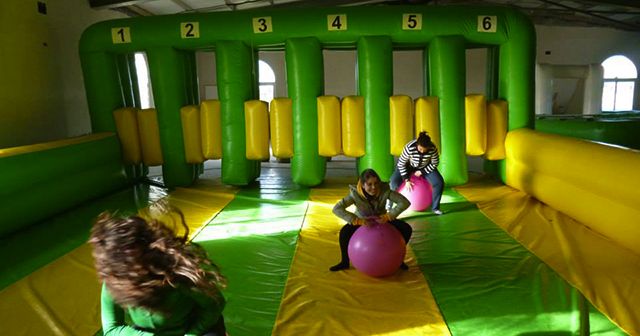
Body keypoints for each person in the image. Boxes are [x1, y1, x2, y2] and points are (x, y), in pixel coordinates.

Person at [89, 207, 227, 336]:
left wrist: (192, 333)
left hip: (195, 329)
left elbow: (214, 304)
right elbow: (111, 329)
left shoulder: (177, 273)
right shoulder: (114, 280)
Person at [330, 168, 412, 272]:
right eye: (369, 184)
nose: (374, 187)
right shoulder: (355, 194)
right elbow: (336, 209)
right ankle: (344, 262)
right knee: (344, 233)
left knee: (406, 228)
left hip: (381, 220)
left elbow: (404, 202)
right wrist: (357, 220)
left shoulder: (384, 190)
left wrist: (388, 216)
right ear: (363, 185)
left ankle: (398, 259)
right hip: (363, 221)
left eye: (376, 183)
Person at [390, 131, 444, 215]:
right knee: (393, 182)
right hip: (408, 166)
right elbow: (401, 164)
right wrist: (406, 180)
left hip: (424, 167)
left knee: (439, 182)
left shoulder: (432, 148)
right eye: (420, 149)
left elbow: (435, 163)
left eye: (424, 150)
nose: (422, 151)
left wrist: (422, 171)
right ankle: (388, 207)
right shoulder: (409, 147)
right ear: (417, 145)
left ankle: (435, 208)